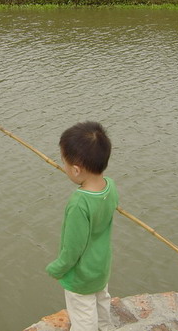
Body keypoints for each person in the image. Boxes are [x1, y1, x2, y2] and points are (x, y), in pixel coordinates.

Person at [46, 121, 119, 331]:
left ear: (76, 170)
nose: (64, 167)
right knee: (101, 302)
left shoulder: (79, 203)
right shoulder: (110, 186)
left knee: (83, 317)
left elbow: (73, 248)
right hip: (101, 267)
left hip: (82, 275)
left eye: (64, 163)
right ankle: (106, 327)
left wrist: (57, 268)